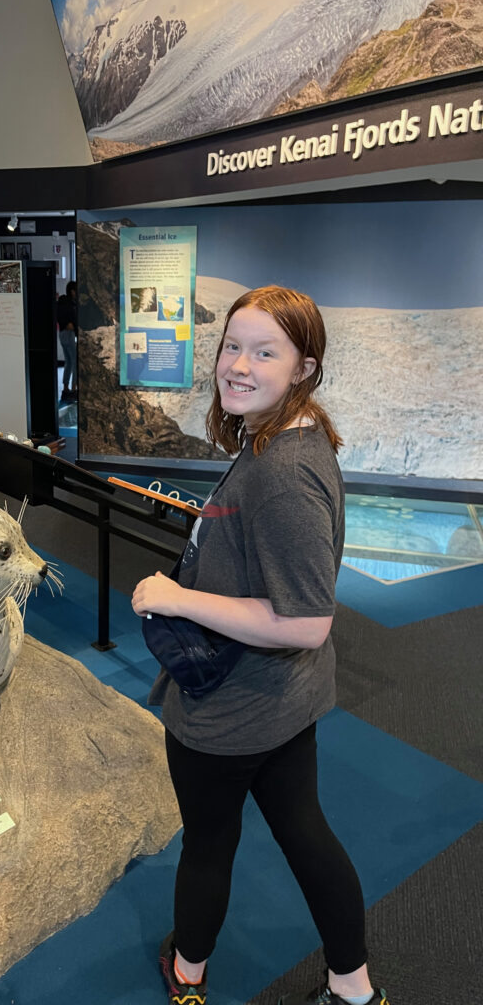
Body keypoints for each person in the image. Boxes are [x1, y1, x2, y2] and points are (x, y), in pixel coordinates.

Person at [132, 286, 389, 1005]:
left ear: (303, 365)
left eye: (264, 352)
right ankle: (354, 989)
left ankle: (186, 974)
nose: (238, 366)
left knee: (210, 844)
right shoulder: (290, 437)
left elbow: (307, 620)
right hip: (284, 699)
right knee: (305, 831)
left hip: (234, 707)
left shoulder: (281, 471)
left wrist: (177, 597)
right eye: (232, 346)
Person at [56, 280, 78, 400]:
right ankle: (74, 389)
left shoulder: (61, 302)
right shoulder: (71, 304)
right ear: (72, 291)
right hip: (69, 334)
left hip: (62, 334)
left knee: (68, 362)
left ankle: (65, 388)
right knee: (74, 362)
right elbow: (73, 321)